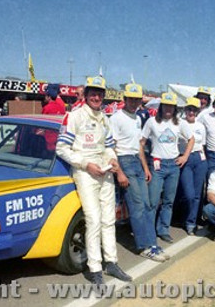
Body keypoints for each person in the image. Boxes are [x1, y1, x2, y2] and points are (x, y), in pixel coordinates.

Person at [56, 75, 132, 285]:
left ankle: (112, 262)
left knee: (109, 220)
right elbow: (61, 148)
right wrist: (85, 164)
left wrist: (113, 161)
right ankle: (95, 269)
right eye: (93, 93)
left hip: (105, 172)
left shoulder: (105, 118)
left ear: (103, 96)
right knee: (93, 220)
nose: (96, 97)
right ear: (87, 94)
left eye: (100, 94)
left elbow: (108, 146)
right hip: (86, 172)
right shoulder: (74, 116)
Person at [110, 83, 169, 262]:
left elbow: (139, 146)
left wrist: (145, 167)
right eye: (131, 99)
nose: (134, 102)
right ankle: (144, 246)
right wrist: (119, 172)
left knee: (147, 204)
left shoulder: (137, 118)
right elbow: (111, 147)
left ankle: (152, 243)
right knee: (137, 206)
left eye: (137, 100)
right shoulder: (116, 118)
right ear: (124, 99)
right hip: (124, 161)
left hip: (136, 160)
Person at [141, 92, 194, 243]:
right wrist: (145, 164)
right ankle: (149, 231)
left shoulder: (180, 123)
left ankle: (163, 229)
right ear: (161, 106)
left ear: (175, 108)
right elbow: (142, 142)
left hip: (173, 165)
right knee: (152, 200)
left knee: (168, 201)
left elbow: (191, 139)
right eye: (166, 106)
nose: (168, 109)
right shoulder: (152, 122)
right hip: (157, 164)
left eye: (171, 106)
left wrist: (185, 156)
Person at [178, 97, 208, 235]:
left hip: (199, 158)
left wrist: (204, 160)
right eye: (189, 109)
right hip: (184, 158)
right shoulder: (178, 123)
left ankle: (191, 222)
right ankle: (183, 217)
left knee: (197, 195)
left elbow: (202, 144)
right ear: (185, 110)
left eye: (194, 110)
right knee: (188, 194)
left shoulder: (201, 126)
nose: (191, 112)